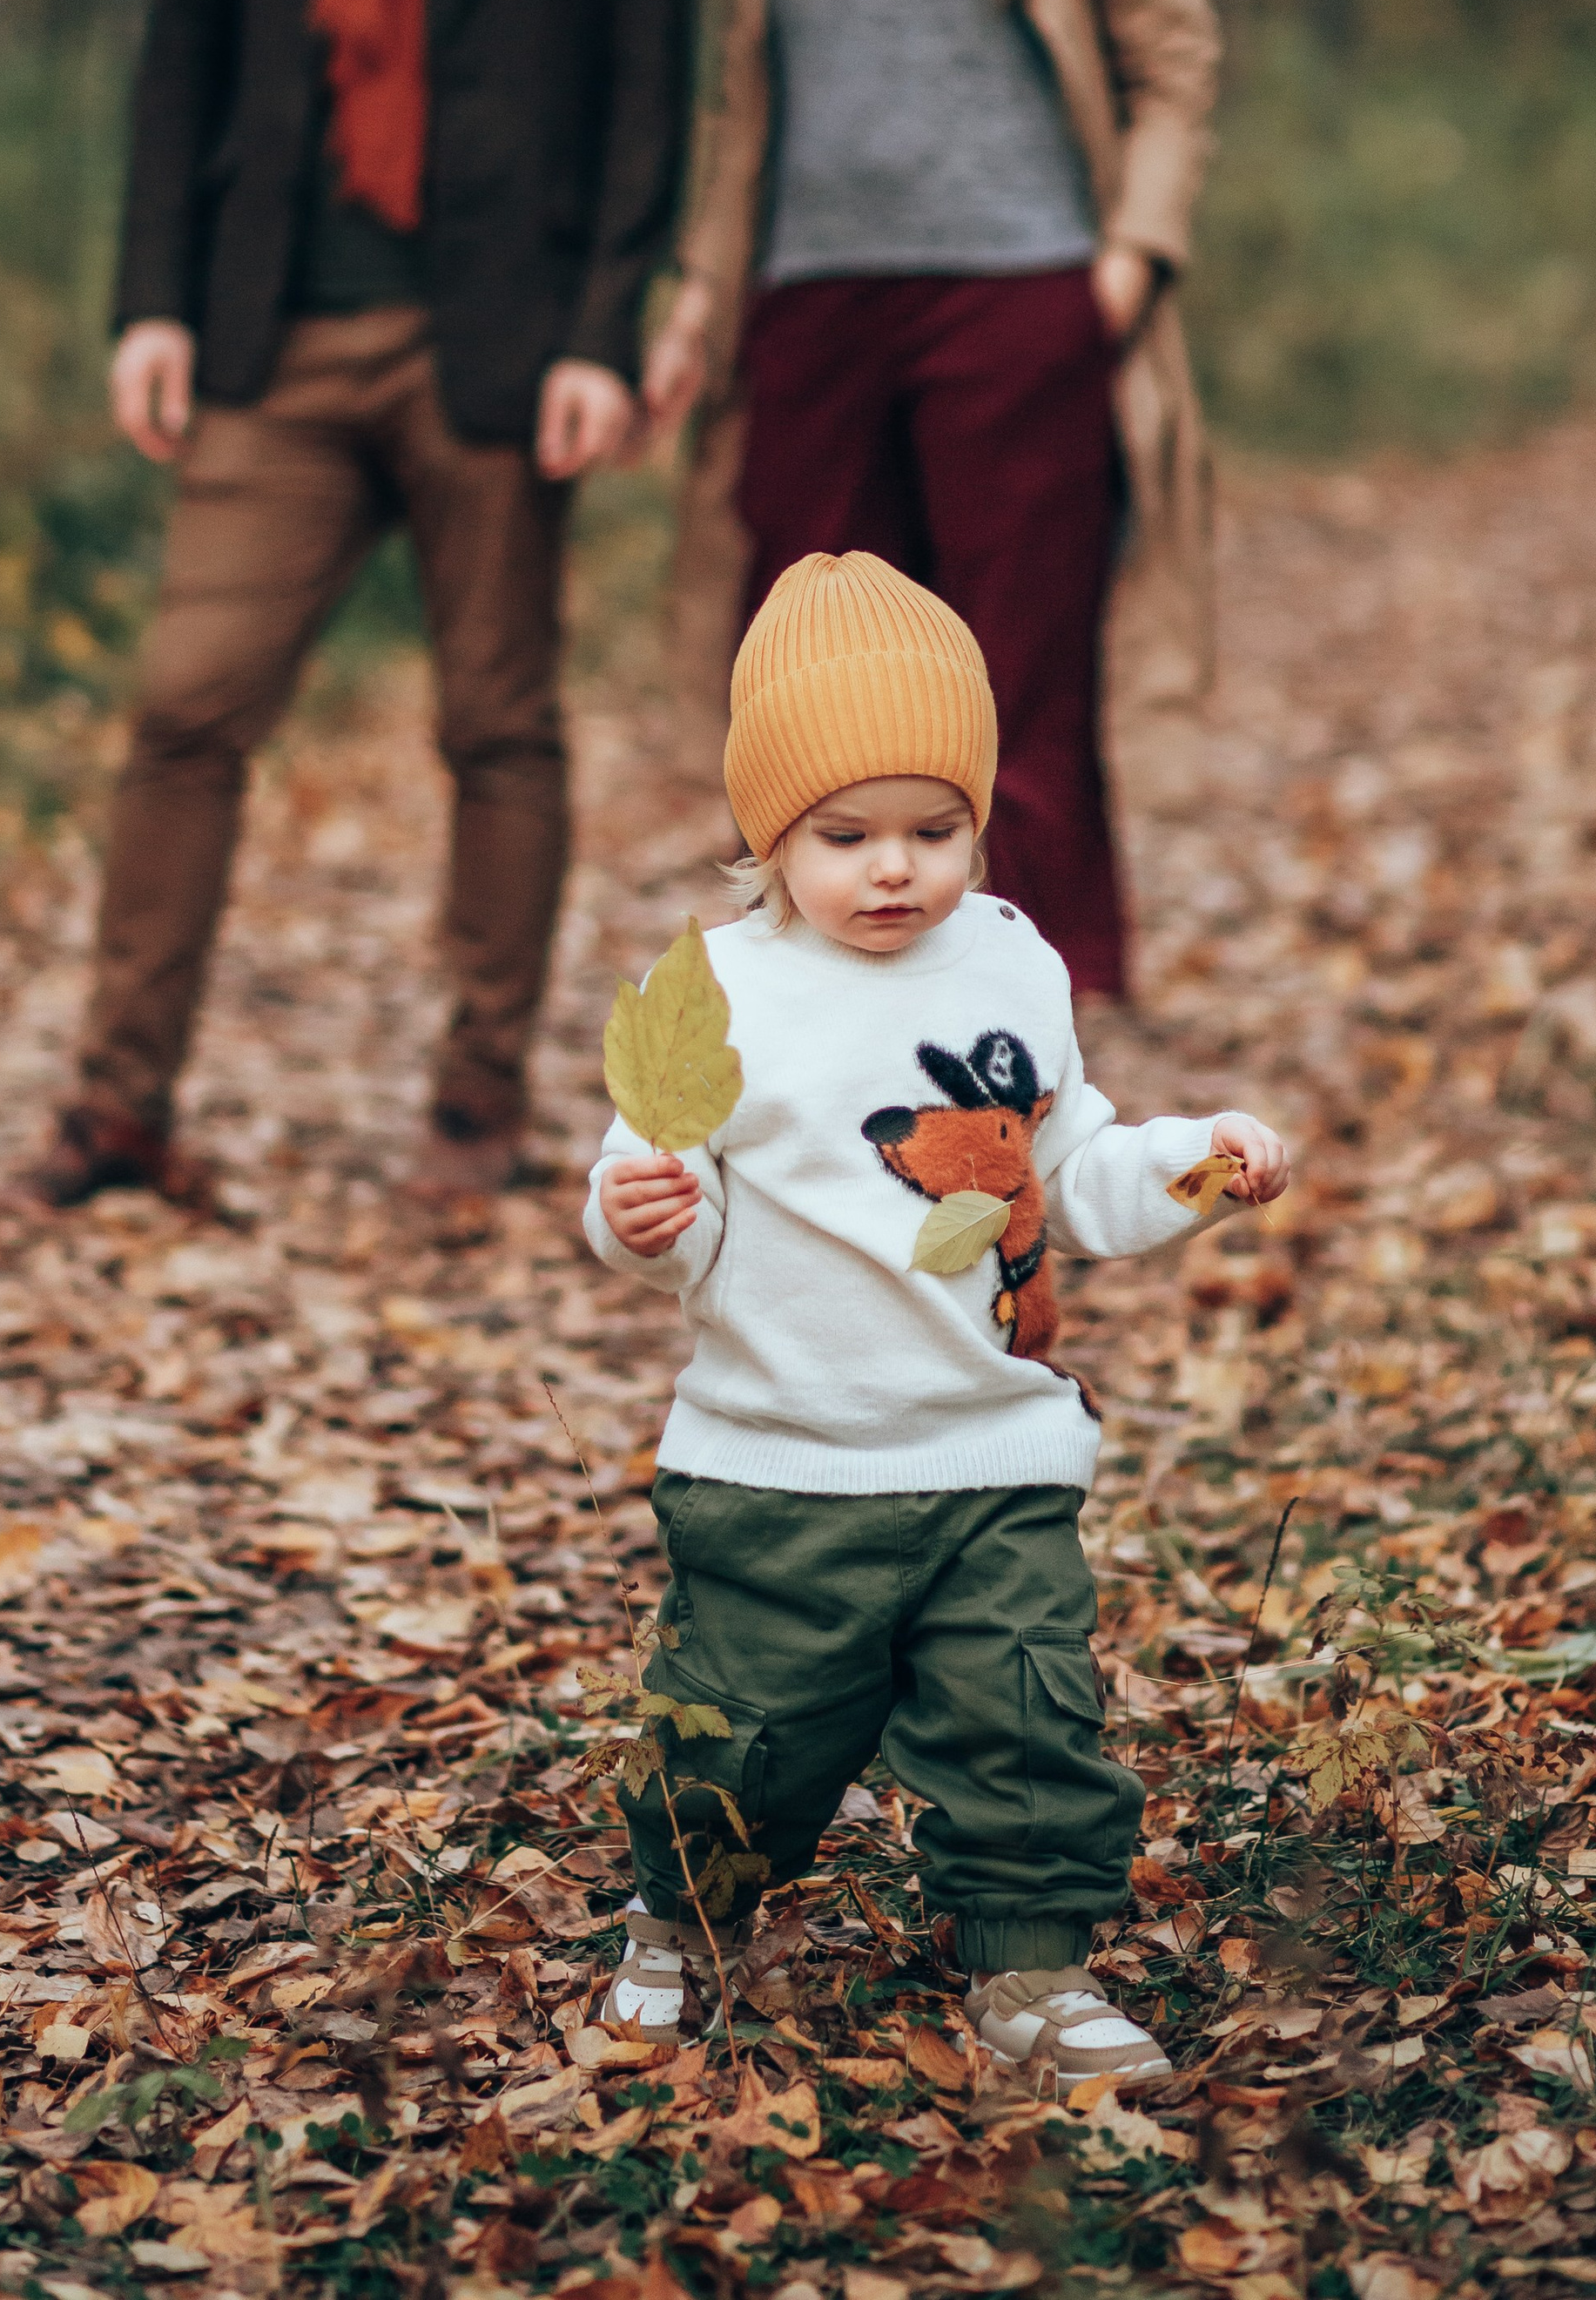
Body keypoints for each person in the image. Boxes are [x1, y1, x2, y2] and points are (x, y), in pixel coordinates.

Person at [39, 0, 696, 1221]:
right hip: (277, 328)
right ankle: (115, 1114)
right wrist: (152, 297)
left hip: (498, 341)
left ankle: (473, 1114)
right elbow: (186, 42)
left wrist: (601, 329)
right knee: (185, 707)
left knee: (498, 724)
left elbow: (650, 85)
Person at [583, 550, 1288, 2082]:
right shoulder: (715, 986)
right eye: (844, 837)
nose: (893, 868)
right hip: (783, 1457)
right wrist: (634, 1216)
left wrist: (1187, 1165)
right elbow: (652, 1174)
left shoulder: (1012, 961)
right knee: (742, 1729)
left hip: (992, 1448)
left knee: (1026, 1718)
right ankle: (679, 1920)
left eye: (935, 828)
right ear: (771, 832)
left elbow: (1068, 1170)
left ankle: (1031, 1970)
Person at [643, 0, 1220, 1000]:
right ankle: (828, 991)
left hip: (1019, 290)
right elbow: (743, 101)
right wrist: (704, 294)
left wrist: (1130, 259)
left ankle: (1047, 991)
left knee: (1016, 665)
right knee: (811, 665)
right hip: (815, 304)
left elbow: (1175, 54)